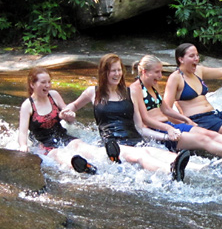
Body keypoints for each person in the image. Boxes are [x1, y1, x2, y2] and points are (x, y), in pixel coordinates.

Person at [62, 54, 198, 182]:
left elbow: (140, 128)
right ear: (104, 73)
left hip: (134, 140)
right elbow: (72, 106)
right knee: (141, 155)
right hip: (113, 144)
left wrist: (167, 136)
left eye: (119, 70)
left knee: (157, 152)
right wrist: (67, 113)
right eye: (112, 71)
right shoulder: (93, 92)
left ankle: (204, 168)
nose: (117, 74)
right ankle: (171, 172)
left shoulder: (131, 93)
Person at [130, 54, 222, 162]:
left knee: (210, 134)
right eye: (156, 72)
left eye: (160, 72)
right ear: (143, 71)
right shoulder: (135, 89)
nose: (160, 76)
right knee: (204, 140)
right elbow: (146, 120)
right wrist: (168, 129)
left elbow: (166, 109)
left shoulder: (153, 85)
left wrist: (185, 119)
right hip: (159, 133)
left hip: (169, 125)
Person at [18, 67, 111, 175]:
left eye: (49, 82)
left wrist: (67, 116)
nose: (47, 85)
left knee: (79, 145)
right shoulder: (27, 105)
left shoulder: (54, 95)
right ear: (32, 84)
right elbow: (22, 132)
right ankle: (84, 167)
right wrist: (23, 146)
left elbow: (70, 120)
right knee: (59, 154)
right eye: (43, 82)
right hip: (44, 144)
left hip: (61, 135)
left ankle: (107, 157)